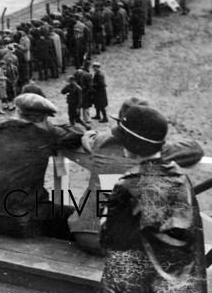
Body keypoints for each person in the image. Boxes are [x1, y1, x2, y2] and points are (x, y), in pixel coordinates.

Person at [89, 105, 207, 293]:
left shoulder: (128, 185)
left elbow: (110, 243)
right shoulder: (180, 178)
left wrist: (107, 217)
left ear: (131, 146)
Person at [70, 97, 204, 256]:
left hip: (85, 231)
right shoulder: (156, 151)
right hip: (121, 243)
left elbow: (88, 137)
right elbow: (195, 150)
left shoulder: (100, 141)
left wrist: (92, 133)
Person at [0, 93, 82, 239]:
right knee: (79, 218)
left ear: (18, 111)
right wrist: (52, 127)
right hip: (21, 220)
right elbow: (77, 134)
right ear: (43, 118)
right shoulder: (46, 135)